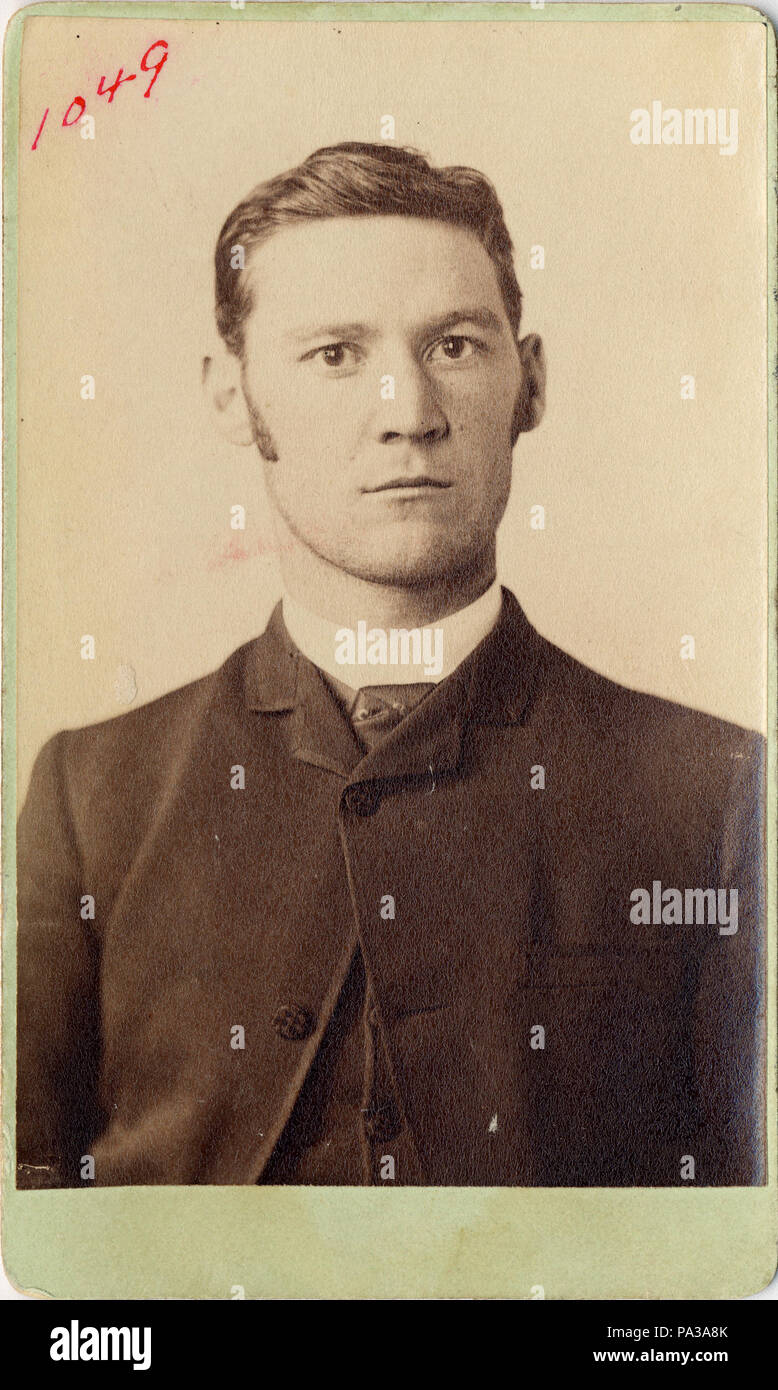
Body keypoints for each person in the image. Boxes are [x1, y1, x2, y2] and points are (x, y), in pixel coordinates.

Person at [16, 143, 765, 1188]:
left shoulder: (714, 789)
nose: (407, 411)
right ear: (232, 397)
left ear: (531, 382)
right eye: (333, 354)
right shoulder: (88, 796)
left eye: (455, 344)